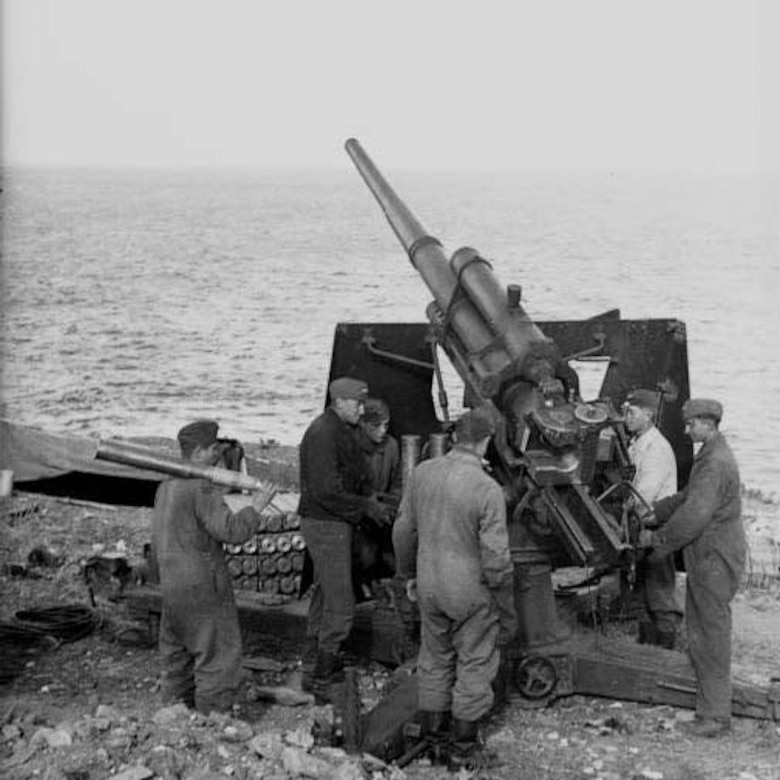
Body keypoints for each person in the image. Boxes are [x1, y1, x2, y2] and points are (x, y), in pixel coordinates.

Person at [393, 407, 515, 771]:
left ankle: (433, 739)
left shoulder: (422, 473)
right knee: (475, 661)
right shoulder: (487, 488)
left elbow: (402, 531)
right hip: (469, 591)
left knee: (434, 658)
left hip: (429, 584)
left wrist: (408, 573)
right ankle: (462, 748)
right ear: (486, 441)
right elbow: (495, 557)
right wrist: (504, 599)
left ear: (454, 437)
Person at [152, 420, 275, 714]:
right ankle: (213, 719)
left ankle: (173, 713)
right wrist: (256, 506)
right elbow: (231, 531)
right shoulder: (200, 487)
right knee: (217, 652)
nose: (216, 454)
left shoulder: (165, 486)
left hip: (172, 582)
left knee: (177, 654)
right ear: (196, 453)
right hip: (201, 583)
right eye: (211, 449)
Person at [640, 398, 745, 738]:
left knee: (709, 636)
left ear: (708, 424)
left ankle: (715, 718)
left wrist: (659, 543)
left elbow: (696, 515)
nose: (686, 430)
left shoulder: (714, 462)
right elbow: (688, 497)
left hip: (714, 558)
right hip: (711, 554)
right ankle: (711, 708)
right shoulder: (712, 453)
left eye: (690, 424)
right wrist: (656, 510)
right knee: (703, 631)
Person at [297, 377, 392, 703]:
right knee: (341, 604)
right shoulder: (324, 434)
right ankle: (322, 679)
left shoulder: (339, 429)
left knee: (325, 594)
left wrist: (370, 497)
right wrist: (365, 506)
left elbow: (351, 475)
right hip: (326, 524)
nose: (362, 409)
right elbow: (325, 491)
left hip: (332, 521)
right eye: (357, 403)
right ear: (339, 402)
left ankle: (313, 665)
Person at [624, 388, 682, 648]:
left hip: (655, 529)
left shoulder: (656, 448)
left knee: (659, 594)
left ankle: (665, 651)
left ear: (648, 414)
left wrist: (620, 506)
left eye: (631, 412)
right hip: (642, 527)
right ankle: (647, 648)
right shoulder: (637, 443)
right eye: (625, 411)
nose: (626, 417)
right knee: (640, 595)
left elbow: (642, 493)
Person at [354, 398, 402, 588]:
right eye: (377, 425)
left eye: (386, 425)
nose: (383, 430)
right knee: (366, 557)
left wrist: (393, 503)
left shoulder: (391, 446)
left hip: (383, 514)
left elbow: (398, 480)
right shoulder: (350, 446)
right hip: (358, 516)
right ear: (363, 424)